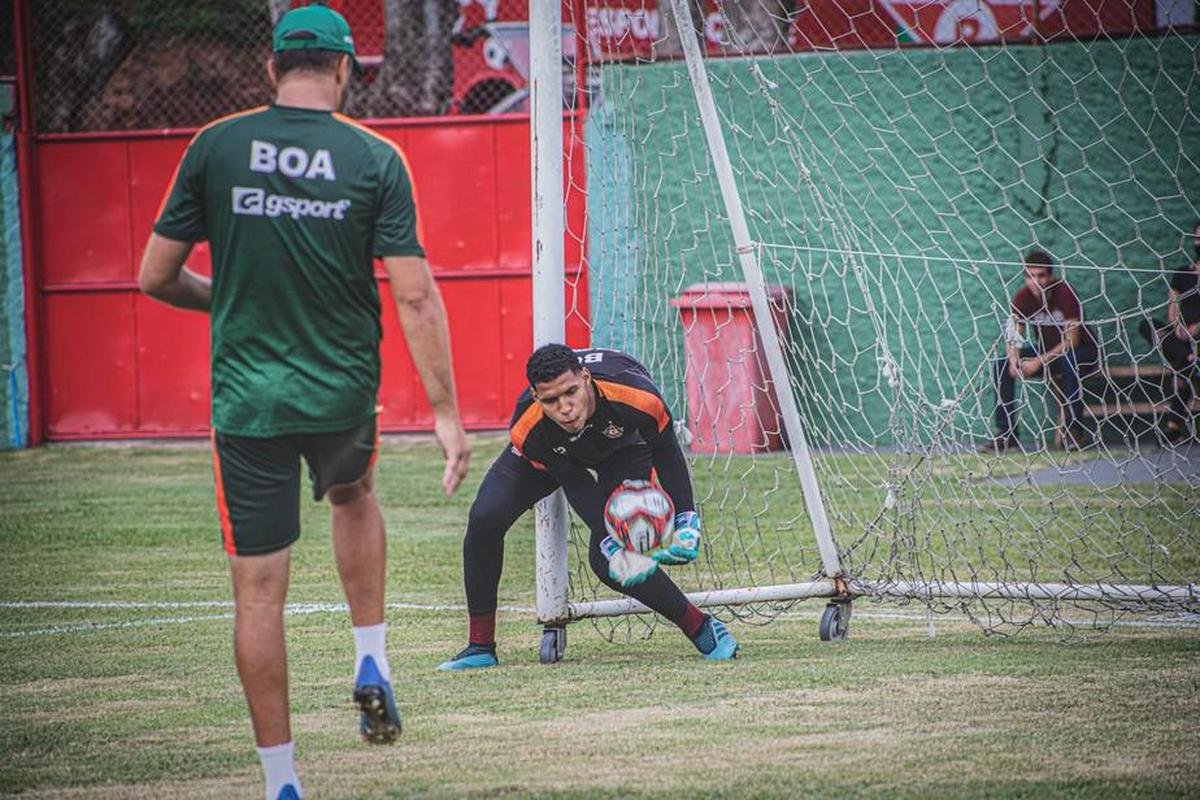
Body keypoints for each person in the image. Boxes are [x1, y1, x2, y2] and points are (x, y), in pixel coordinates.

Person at [137, 6, 471, 799]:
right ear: (346, 71)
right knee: (353, 493)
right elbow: (416, 297)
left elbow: (153, 275)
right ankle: (371, 655)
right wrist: (447, 414)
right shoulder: (374, 157)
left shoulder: (214, 147)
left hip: (247, 400)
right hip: (341, 389)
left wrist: (223, 300)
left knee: (259, 592)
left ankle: (281, 783)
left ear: (271, 69)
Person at [436, 344, 738, 671]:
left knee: (605, 561)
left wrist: (686, 519)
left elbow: (666, 451)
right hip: (558, 456)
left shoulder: (635, 396)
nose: (565, 407)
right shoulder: (529, 427)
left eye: (571, 392)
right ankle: (480, 646)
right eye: (551, 400)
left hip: (623, 448)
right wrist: (609, 533)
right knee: (484, 519)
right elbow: (575, 481)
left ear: (586, 378)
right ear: (536, 398)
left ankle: (701, 626)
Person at [984, 250, 1100, 452]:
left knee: (1069, 361)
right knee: (1001, 365)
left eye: (1041, 275)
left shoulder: (1065, 292)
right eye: (1030, 276)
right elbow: (1014, 337)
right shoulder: (1023, 297)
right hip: (1048, 352)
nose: (1035, 281)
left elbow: (1072, 341)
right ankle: (1007, 434)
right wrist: (1014, 360)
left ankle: (1073, 432)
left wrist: (1038, 362)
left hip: (1082, 351)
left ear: (1050, 275)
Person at [1139, 220, 1200, 441]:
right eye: (1197, 238)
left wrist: (1197, 329)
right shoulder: (1183, 273)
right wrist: (1178, 327)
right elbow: (1172, 306)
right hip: (1181, 340)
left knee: (1181, 367)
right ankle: (1189, 360)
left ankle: (1174, 426)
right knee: (1147, 325)